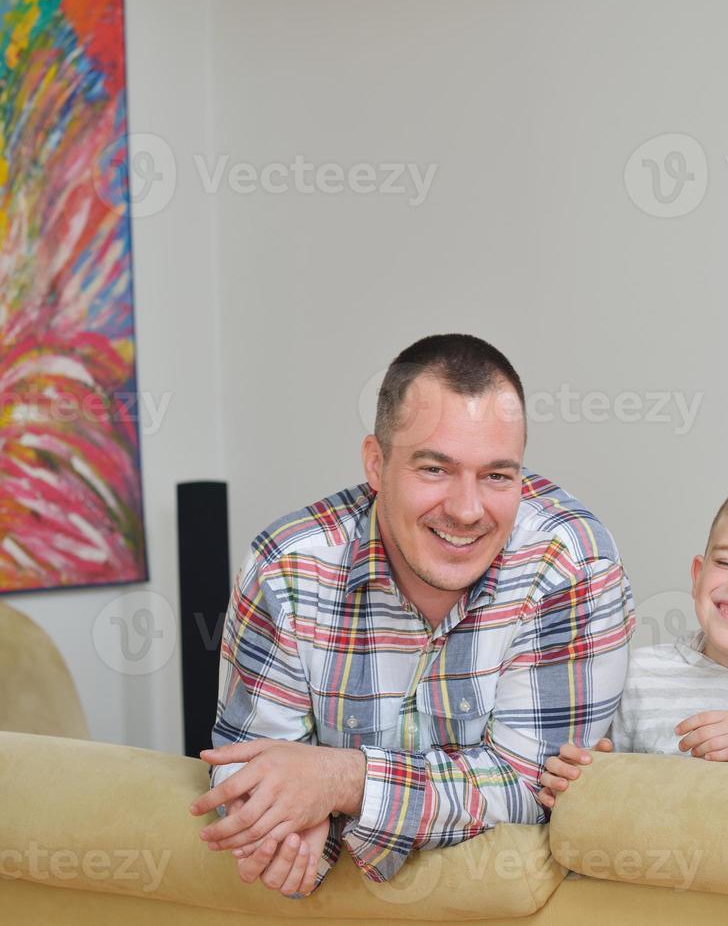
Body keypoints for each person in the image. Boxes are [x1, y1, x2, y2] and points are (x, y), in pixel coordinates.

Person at [186, 334, 634, 897]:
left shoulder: (572, 563)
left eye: (497, 475)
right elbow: (245, 765)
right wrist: (289, 828)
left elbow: (532, 788)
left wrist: (340, 782)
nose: (468, 510)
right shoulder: (286, 569)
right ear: (376, 464)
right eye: (435, 469)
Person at [536, 473, 728, 805]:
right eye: (727, 562)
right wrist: (583, 775)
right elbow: (599, 776)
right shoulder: (639, 674)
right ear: (697, 577)